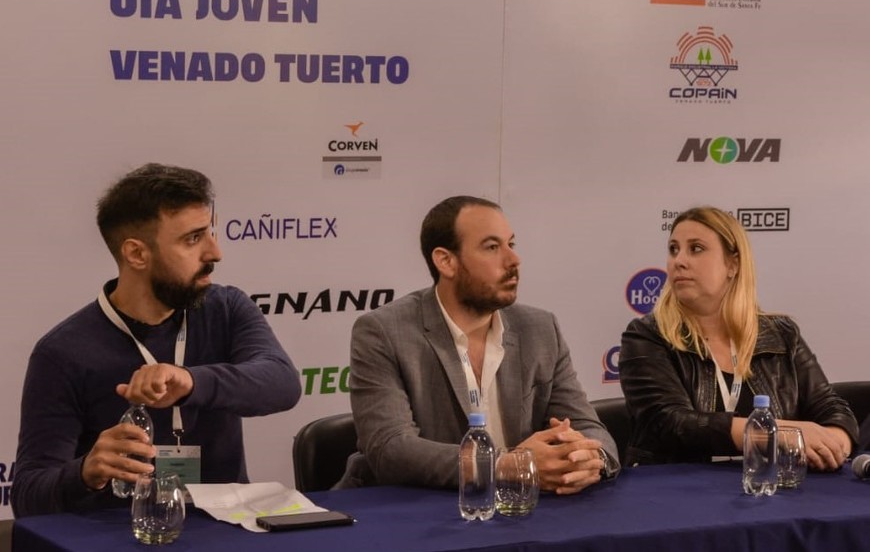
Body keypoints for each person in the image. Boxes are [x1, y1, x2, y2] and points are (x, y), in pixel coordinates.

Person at [12, 163, 301, 517]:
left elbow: (283, 384)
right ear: (136, 254)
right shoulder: (62, 353)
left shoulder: (226, 308)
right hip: (117, 536)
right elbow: (28, 495)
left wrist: (192, 381)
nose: (215, 253)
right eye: (193, 239)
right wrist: (85, 473)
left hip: (225, 531)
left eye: (210, 232)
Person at [338, 195, 618, 494]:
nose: (513, 260)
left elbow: (589, 428)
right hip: (412, 510)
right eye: (492, 247)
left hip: (519, 508)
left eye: (512, 244)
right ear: (446, 261)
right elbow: (391, 450)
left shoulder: (539, 328)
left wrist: (589, 458)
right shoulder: (384, 331)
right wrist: (506, 466)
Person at [619, 206, 858, 469]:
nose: (679, 261)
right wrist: (774, 434)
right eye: (673, 249)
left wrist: (834, 443)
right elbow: (670, 422)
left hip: (770, 491)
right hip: (678, 495)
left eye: (695, 249)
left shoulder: (781, 333)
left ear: (733, 264)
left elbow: (833, 409)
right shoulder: (647, 335)